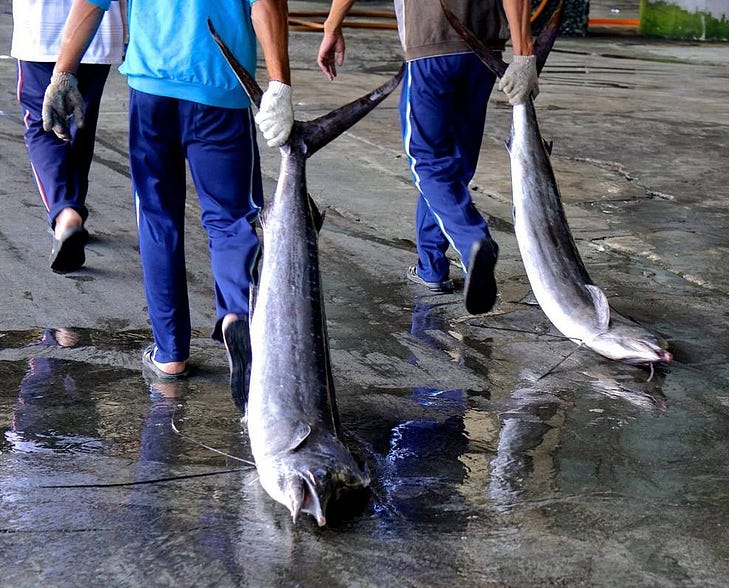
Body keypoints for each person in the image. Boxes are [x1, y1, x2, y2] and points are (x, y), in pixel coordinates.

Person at [41, 0, 296, 410]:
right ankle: (235, 314)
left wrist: (64, 72)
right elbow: (266, 4)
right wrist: (280, 83)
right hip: (220, 89)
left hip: (152, 90)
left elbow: (92, 2)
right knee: (231, 219)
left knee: (158, 218)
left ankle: (171, 353)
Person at [317, 0, 538, 315]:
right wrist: (523, 53)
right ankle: (431, 267)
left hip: (430, 45)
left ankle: (471, 242)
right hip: (482, 52)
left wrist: (331, 25)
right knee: (454, 165)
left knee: (427, 161)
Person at [11, 0, 126, 274]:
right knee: (81, 123)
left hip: (42, 30)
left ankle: (65, 213)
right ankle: (74, 211)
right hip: (99, 28)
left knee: (42, 126)